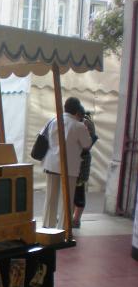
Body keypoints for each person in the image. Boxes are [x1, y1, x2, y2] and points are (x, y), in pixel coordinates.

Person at [42, 97, 92, 229]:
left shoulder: (53, 120)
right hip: (70, 167)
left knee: (50, 198)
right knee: (67, 199)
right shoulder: (79, 125)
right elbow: (87, 145)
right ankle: (64, 229)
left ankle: (48, 227)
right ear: (76, 109)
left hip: (51, 164)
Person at [72, 108, 98, 228]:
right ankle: (72, 218)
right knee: (75, 192)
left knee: (79, 192)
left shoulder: (85, 123)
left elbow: (85, 143)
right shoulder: (85, 122)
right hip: (81, 159)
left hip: (82, 160)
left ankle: (76, 220)